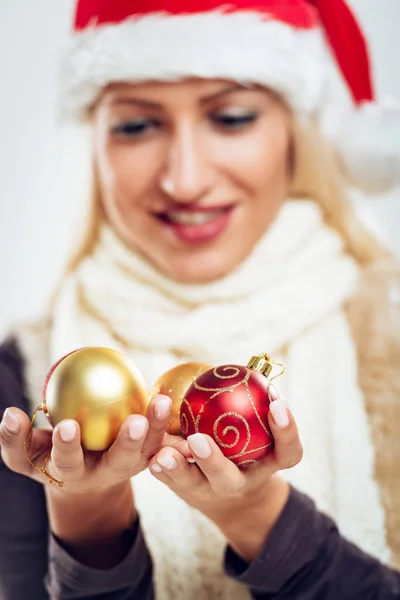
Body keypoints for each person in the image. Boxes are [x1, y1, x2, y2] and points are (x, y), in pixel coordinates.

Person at [0, 0, 399, 599]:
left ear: (296, 134)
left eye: (232, 117)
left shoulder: (389, 327)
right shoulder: (28, 379)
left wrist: (259, 518)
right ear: (98, 146)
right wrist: (89, 518)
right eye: (137, 125)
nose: (184, 180)